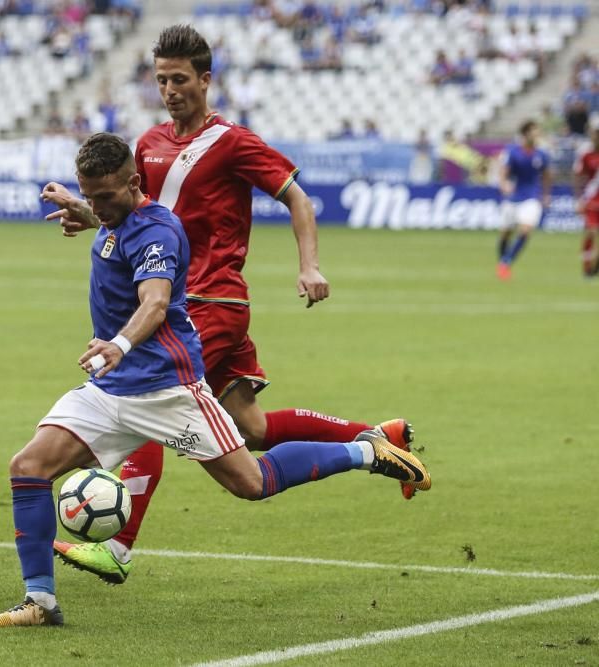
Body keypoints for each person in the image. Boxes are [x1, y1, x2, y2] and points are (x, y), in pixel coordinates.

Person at [0, 133, 431, 629]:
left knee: (251, 482)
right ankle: (39, 603)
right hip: (110, 392)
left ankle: (366, 451)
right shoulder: (117, 216)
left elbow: (153, 301)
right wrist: (84, 210)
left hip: (168, 389)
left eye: (104, 196)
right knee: (29, 465)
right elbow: (113, 225)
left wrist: (119, 344)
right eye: (90, 194)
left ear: (133, 182)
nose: (97, 205)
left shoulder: (158, 233)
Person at [49, 25, 419, 586]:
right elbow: (129, 212)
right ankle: (375, 437)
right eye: (161, 80)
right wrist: (85, 211)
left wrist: (309, 264)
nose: (170, 89)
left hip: (206, 298)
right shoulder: (146, 144)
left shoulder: (232, 141)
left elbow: (297, 196)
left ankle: (117, 546)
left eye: (180, 79)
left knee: (143, 397)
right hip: (177, 302)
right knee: (251, 427)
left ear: (205, 79)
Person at [496, 120, 551, 281]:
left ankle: (506, 263)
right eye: (534, 131)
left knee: (526, 230)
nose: (537, 134)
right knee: (506, 233)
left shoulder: (541, 154)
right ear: (525, 133)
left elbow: (547, 175)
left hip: (532, 196)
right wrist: (504, 184)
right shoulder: (513, 152)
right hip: (514, 196)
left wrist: (546, 194)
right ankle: (502, 261)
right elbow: (503, 171)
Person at [573, 126, 599, 277]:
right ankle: (587, 267)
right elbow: (578, 176)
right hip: (591, 201)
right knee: (591, 232)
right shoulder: (586, 155)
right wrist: (578, 199)